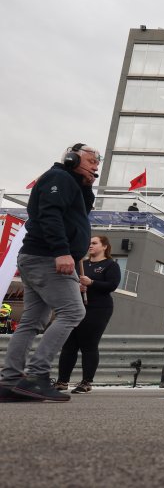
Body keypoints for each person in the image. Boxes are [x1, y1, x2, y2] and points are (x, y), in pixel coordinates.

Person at [0, 143, 101, 402]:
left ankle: (11, 381)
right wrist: (61, 252)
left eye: (97, 163)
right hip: (48, 257)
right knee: (73, 311)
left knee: (32, 321)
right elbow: (50, 215)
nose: (95, 166)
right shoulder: (58, 177)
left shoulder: (71, 183)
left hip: (39, 257)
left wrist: (86, 186)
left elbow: (81, 213)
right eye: (91, 160)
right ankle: (37, 376)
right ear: (71, 158)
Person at [55, 235, 121, 394]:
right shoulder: (81, 264)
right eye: (89, 243)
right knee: (69, 344)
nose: (90, 246)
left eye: (94, 243)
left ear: (104, 246)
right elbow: (68, 282)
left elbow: (112, 285)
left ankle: (86, 382)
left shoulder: (111, 265)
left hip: (98, 308)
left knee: (89, 344)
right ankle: (62, 381)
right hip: (76, 307)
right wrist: (77, 286)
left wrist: (92, 283)